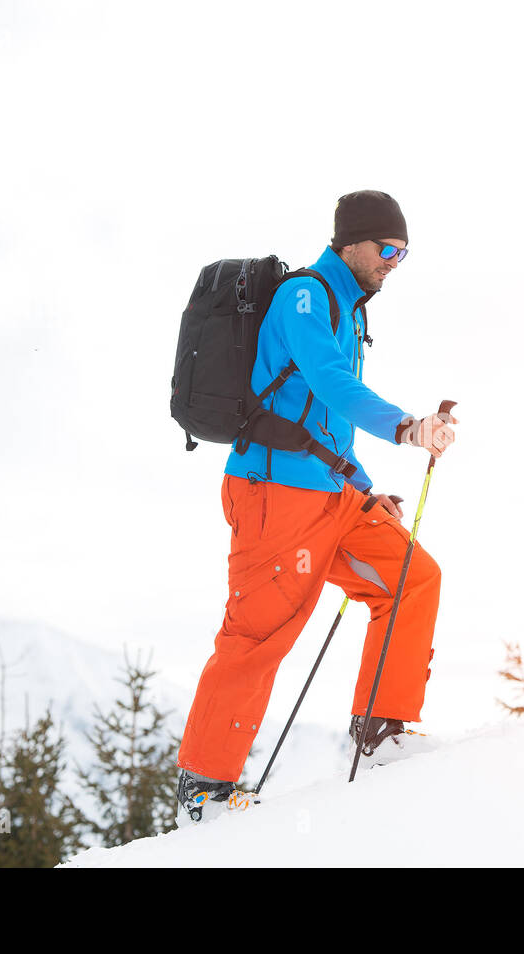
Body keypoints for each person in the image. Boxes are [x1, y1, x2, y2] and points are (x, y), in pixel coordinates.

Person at [176, 190, 458, 824]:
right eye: (388, 249)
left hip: (332, 492)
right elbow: (331, 381)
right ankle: (204, 793)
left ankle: (382, 731)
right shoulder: (304, 296)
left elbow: (324, 421)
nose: (394, 262)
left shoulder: (353, 311)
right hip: (276, 493)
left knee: (413, 577)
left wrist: (360, 485)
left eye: (403, 253)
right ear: (350, 242)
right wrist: (408, 427)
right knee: (258, 634)